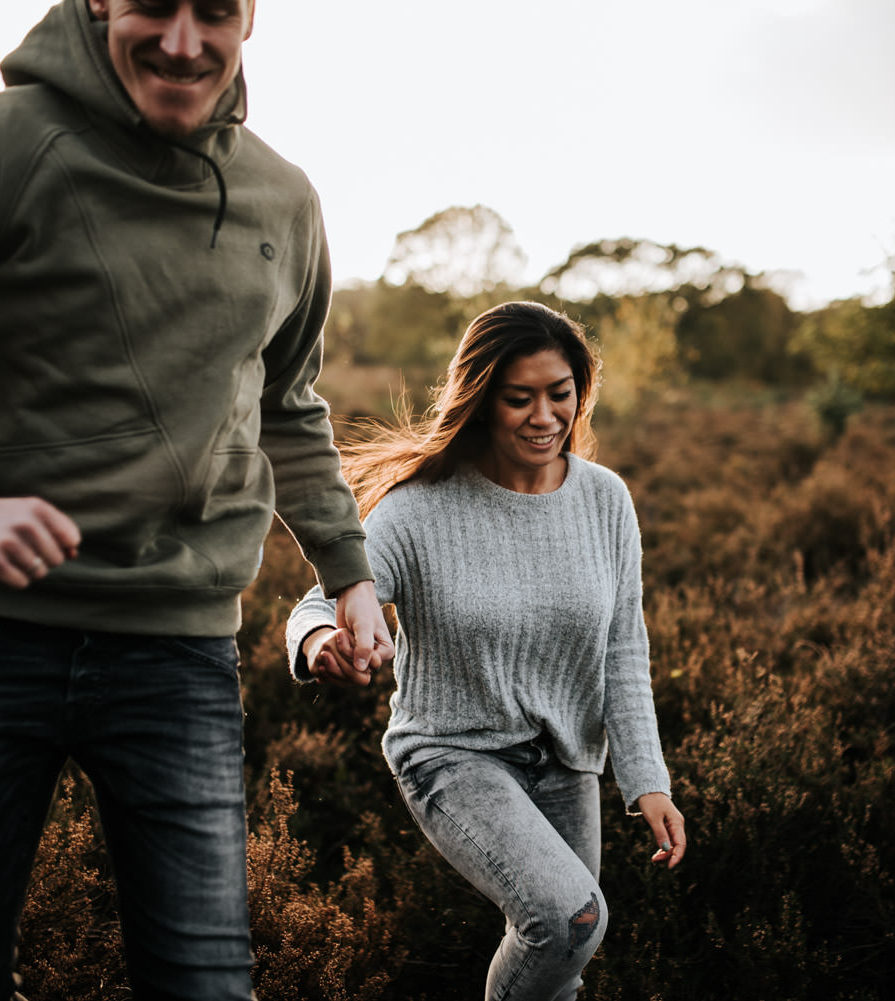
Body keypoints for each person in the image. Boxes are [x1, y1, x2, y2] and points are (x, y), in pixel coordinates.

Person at [0, 1, 393, 998]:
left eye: (215, 11)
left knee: (204, 986)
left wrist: (347, 570)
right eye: (152, 4)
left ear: (251, 17)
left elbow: (287, 404)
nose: (183, 40)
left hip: (177, 656)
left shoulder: (284, 199)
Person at [286, 300, 687, 1001]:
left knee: (566, 961)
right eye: (519, 398)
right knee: (569, 917)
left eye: (559, 394)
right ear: (481, 400)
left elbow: (623, 649)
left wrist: (648, 779)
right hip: (453, 753)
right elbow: (321, 600)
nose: (543, 416)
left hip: (567, 762)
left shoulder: (605, 502)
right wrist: (321, 641)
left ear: (580, 392)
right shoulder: (420, 508)